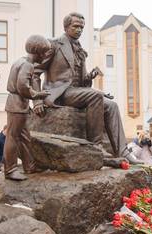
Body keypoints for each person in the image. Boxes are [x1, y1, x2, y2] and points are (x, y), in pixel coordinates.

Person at [33, 12, 142, 164]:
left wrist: (90, 76)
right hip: (60, 92)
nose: (79, 30)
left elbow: (82, 81)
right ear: (66, 27)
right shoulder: (55, 44)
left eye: (82, 27)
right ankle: (96, 146)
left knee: (112, 105)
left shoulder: (80, 50)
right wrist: (37, 100)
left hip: (77, 92)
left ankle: (123, 151)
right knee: (96, 96)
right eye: (75, 26)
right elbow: (34, 73)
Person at [4, 35, 51, 180]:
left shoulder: (21, 61)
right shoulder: (28, 65)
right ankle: (10, 169)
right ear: (37, 52)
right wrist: (38, 95)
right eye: (44, 53)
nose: (45, 57)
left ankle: (29, 165)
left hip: (19, 103)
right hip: (17, 104)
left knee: (25, 137)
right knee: (13, 136)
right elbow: (23, 86)